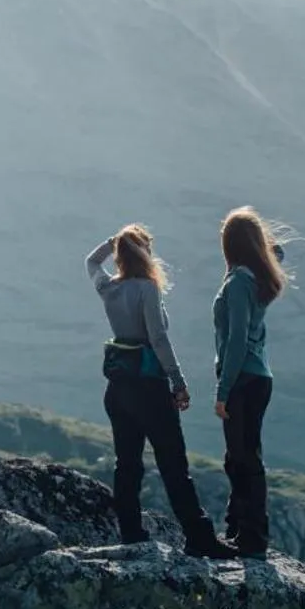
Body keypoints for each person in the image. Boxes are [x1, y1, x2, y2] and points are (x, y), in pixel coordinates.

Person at [88, 225, 228, 558]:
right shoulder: (147, 289)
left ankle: (131, 534)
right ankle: (199, 537)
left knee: (127, 463)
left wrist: (112, 243)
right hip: (149, 386)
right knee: (173, 463)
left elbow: (91, 262)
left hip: (118, 386)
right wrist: (177, 381)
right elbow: (158, 339)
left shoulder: (108, 287)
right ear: (145, 253)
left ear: (121, 255)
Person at [213, 206, 288, 557]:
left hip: (243, 378)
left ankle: (252, 537)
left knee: (243, 458)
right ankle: (238, 529)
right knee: (240, 455)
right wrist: (261, 244)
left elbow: (237, 339)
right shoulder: (256, 277)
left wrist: (223, 389)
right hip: (259, 377)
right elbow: (277, 254)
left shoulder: (240, 282)